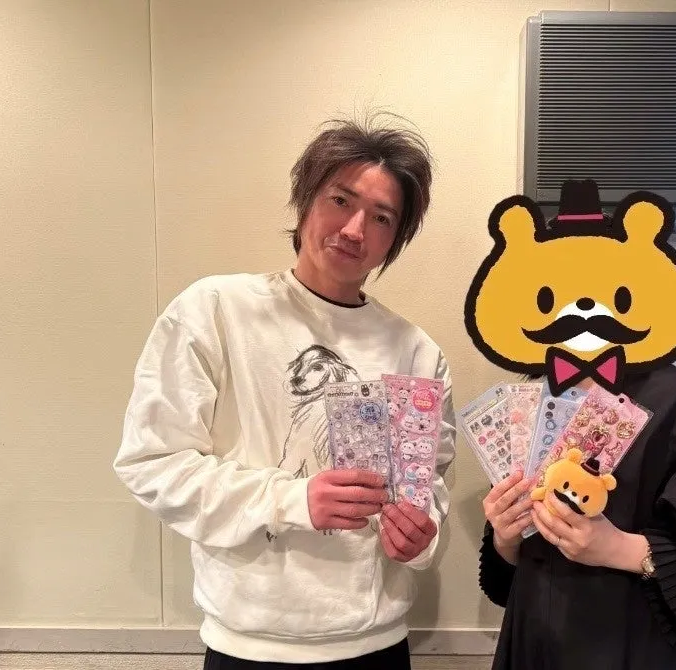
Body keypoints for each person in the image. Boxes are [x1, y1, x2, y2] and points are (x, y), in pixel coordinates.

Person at [113, 114, 456, 670]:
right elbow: (152, 463)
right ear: (305, 201)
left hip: (377, 645)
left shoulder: (417, 352)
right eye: (340, 200)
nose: (354, 229)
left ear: (395, 239)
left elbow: (431, 487)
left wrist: (422, 537)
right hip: (249, 646)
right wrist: (293, 501)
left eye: (381, 217)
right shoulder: (215, 310)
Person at [479, 370, 676, 670]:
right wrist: (505, 538)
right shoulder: (534, 402)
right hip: (536, 636)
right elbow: (513, 566)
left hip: (641, 642)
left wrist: (618, 548)